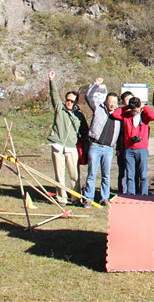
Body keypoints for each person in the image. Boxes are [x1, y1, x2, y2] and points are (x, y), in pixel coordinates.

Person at [47, 71, 88, 206]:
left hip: (72, 147)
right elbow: (54, 96)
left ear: (76, 102)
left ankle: (75, 198)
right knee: (59, 174)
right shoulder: (60, 109)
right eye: (67, 100)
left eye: (72, 101)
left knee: (74, 175)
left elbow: (85, 132)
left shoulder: (79, 116)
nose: (69, 103)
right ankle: (62, 199)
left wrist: (86, 146)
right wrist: (52, 80)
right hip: (58, 145)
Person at [82, 78, 120, 206]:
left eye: (114, 102)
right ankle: (88, 198)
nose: (112, 104)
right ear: (106, 101)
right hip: (96, 145)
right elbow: (88, 96)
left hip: (109, 148)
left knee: (106, 175)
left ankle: (105, 197)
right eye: (110, 102)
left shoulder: (119, 114)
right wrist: (95, 85)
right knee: (91, 174)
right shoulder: (98, 108)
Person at [112, 97, 154, 195]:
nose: (134, 113)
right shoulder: (127, 115)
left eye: (136, 111)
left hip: (142, 149)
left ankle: (144, 194)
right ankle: (130, 194)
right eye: (132, 111)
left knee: (143, 175)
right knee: (129, 175)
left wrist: (143, 107)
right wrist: (127, 107)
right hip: (129, 149)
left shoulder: (144, 116)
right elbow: (115, 113)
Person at [116, 91, 134, 195]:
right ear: (122, 101)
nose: (130, 101)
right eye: (128, 99)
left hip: (133, 146)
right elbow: (115, 114)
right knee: (122, 170)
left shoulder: (136, 112)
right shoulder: (121, 112)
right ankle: (121, 192)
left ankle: (134, 191)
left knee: (133, 171)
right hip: (122, 145)